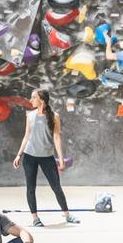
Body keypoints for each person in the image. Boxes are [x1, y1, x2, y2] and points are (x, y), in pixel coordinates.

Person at [12, 89, 79, 227]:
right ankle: (35, 218)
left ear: (41, 100)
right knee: (31, 188)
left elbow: (57, 137)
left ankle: (67, 214)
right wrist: (19, 154)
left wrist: (60, 159)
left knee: (56, 187)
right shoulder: (30, 115)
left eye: (33, 97)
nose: (31, 100)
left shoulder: (54, 116)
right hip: (30, 156)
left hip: (47, 157)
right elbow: (26, 137)